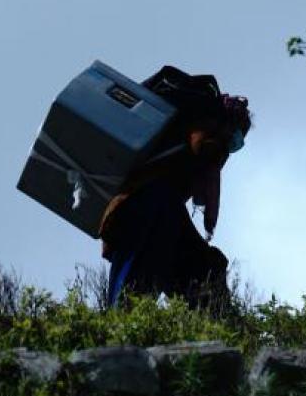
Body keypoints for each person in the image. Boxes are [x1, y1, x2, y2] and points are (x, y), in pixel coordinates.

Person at [98, 67, 251, 310]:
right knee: (135, 283)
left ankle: (219, 332)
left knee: (208, 268)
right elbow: (199, 144)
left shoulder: (203, 129)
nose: (230, 149)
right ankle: (118, 330)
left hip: (159, 208)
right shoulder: (206, 123)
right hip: (145, 206)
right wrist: (218, 142)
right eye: (236, 140)